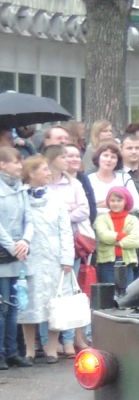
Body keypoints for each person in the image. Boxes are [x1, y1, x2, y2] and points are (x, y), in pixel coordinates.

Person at [18, 153, 74, 361]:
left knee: (54, 304)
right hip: (28, 258)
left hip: (54, 258)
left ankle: (51, 347)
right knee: (28, 303)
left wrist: (67, 258)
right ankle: (29, 350)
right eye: (44, 169)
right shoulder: (20, 197)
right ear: (31, 173)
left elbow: (65, 230)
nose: (49, 173)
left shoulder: (56, 199)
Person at [0, 146, 29, 369]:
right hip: (4, 253)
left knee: (13, 305)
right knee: (2, 307)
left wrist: (25, 241)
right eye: (16, 162)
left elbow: (29, 218)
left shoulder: (21, 188)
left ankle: (12, 351)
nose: (20, 166)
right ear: (2, 165)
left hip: (18, 252)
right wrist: (12, 245)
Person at [92, 185, 139, 293]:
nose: (115, 203)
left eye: (119, 201)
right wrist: (122, 236)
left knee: (127, 293)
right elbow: (103, 236)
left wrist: (114, 241)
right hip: (107, 263)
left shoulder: (133, 220)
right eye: (112, 200)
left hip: (127, 262)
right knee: (108, 294)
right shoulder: (101, 219)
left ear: (126, 202)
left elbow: (136, 241)